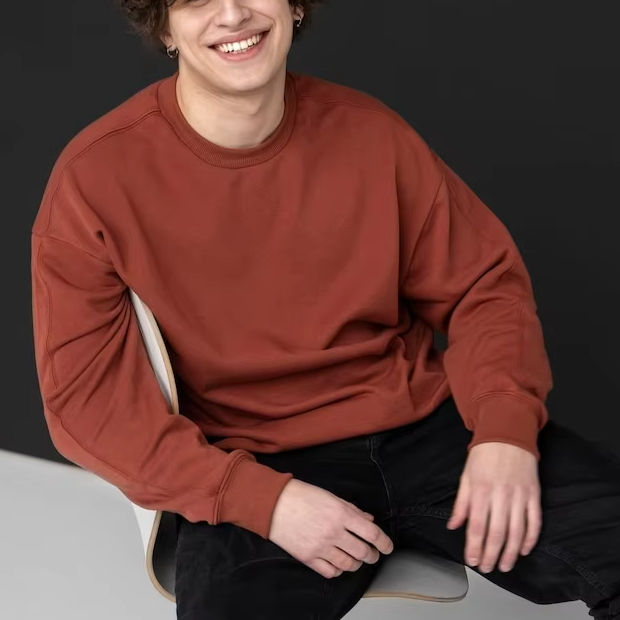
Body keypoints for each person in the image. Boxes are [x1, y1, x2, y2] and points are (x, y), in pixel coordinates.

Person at [30, 1, 620, 618]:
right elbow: (85, 402)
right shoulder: (95, 178)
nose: (232, 13)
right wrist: (261, 502)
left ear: (294, 6)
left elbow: (484, 290)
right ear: (164, 26)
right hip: (254, 457)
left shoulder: (373, 135)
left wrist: (504, 434)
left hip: (425, 429)